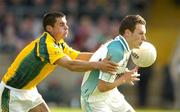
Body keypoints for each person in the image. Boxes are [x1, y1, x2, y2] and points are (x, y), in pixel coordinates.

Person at [0, 12, 118, 112]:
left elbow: (77, 56)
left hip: (28, 90)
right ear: (49, 28)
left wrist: (102, 56)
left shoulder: (58, 43)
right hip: (12, 92)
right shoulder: (47, 45)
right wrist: (99, 65)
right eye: (62, 24)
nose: (66, 27)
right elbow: (71, 65)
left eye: (66, 24)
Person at [81, 15, 146, 112]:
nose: (144, 38)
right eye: (140, 33)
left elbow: (113, 70)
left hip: (111, 94)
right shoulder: (116, 51)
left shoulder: (123, 46)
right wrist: (124, 79)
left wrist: (124, 72)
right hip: (94, 99)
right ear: (128, 33)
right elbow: (102, 87)